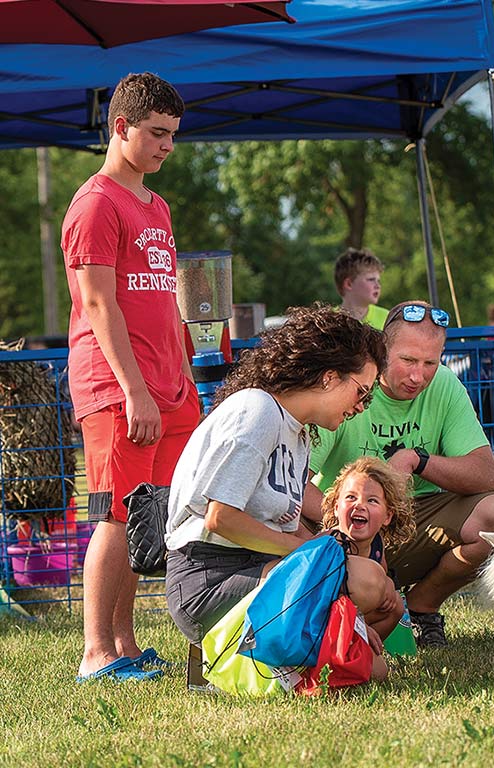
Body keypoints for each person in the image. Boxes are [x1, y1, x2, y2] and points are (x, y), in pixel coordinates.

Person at [164, 304, 394, 678]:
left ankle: (255, 656)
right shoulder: (258, 412)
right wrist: (314, 557)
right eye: (361, 392)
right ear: (329, 377)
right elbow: (220, 518)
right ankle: (233, 653)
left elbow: (288, 528)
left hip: (256, 567)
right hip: (207, 577)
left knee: (375, 666)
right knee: (363, 581)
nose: (362, 406)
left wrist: (333, 584)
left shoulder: (298, 433)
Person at [62, 72, 201, 682]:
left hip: (166, 386)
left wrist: (181, 373)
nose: (168, 146)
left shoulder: (158, 205)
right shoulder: (95, 203)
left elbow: (162, 297)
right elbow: (97, 304)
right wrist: (135, 389)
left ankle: (124, 642)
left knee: (152, 516)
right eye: (157, 133)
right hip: (117, 389)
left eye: (173, 135)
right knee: (113, 515)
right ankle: (96, 653)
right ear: (120, 127)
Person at [302, 300, 494, 647]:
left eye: (431, 362)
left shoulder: (444, 385)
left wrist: (419, 460)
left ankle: (422, 606)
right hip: (345, 529)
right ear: (382, 350)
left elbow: (486, 475)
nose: (419, 376)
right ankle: (351, 617)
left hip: (417, 521)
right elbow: (295, 484)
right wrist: (350, 522)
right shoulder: (351, 384)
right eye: (409, 360)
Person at [320, 456, 416, 645]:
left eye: (371, 500)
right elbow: (322, 600)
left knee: (395, 604)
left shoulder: (376, 543)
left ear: (387, 516)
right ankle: (339, 650)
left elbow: (382, 572)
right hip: (321, 622)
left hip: (353, 618)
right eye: (351, 497)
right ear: (337, 507)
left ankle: (362, 648)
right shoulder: (331, 543)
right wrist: (358, 624)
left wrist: (387, 584)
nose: (360, 505)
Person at [335, 247, 389, 329]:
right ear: (349, 284)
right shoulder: (327, 321)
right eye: (371, 279)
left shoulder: (388, 319)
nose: (378, 285)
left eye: (378, 280)